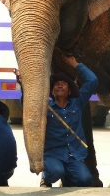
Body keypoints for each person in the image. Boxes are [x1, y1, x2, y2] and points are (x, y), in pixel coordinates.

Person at [38, 55, 99, 188]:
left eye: (63, 84)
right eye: (56, 84)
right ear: (52, 91)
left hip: (73, 155)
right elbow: (25, 104)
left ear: (70, 90)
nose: (59, 85)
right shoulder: (46, 108)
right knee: (55, 171)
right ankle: (45, 178)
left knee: (86, 180)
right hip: (53, 154)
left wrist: (76, 64)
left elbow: (92, 80)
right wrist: (22, 85)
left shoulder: (77, 103)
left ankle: (67, 177)